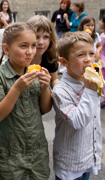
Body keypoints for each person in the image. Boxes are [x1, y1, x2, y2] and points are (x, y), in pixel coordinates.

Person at [0, 22, 52, 180]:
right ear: (7, 49)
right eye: (24, 46)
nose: (30, 52)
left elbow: (45, 109)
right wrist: (16, 89)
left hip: (38, 150)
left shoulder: (36, 72)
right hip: (11, 153)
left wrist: (45, 88)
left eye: (33, 46)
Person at [52, 31, 102, 180]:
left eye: (91, 54)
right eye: (81, 55)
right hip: (70, 162)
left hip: (88, 156)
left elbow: (95, 119)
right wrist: (91, 91)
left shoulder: (91, 82)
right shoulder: (60, 90)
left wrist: (97, 148)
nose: (88, 60)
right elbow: (78, 121)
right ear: (64, 62)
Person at [27, 15, 59, 88]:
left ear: (51, 39)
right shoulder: (22, 57)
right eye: (37, 37)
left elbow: (54, 79)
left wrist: (58, 91)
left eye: (46, 37)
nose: (41, 42)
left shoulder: (50, 56)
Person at [99, 15, 105, 108]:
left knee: (103, 82)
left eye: (101, 21)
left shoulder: (103, 36)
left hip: (103, 62)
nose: (99, 23)